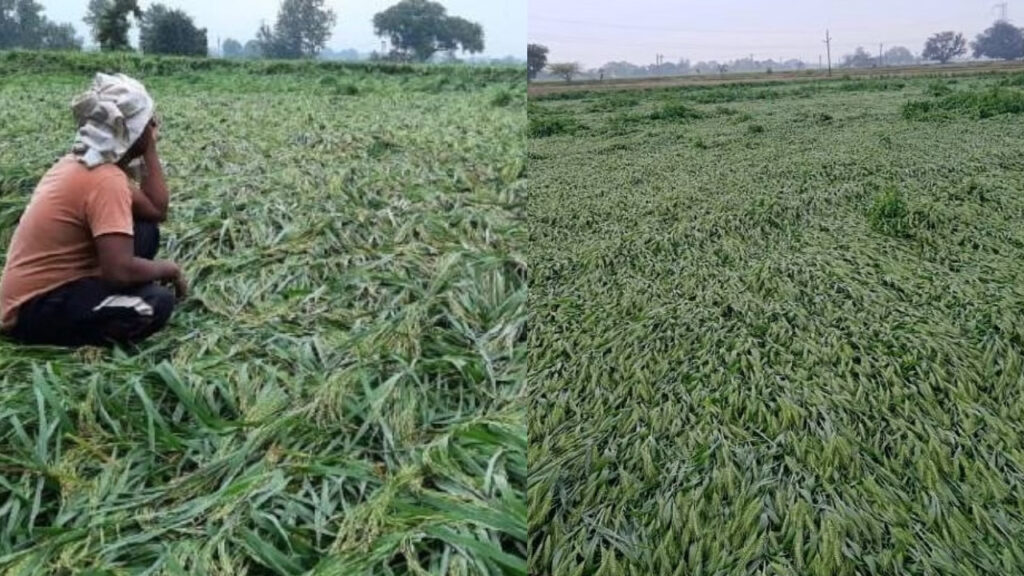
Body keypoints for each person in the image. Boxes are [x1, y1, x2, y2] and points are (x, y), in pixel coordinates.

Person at [0, 73, 187, 348]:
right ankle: (77, 334)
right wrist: (169, 269)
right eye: (147, 123)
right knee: (154, 304)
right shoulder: (105, 180)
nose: (153, 126)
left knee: (146, 233)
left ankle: (94, 301)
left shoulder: (85, 162)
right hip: (32, 309)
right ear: (133, 130)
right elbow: (118, 272)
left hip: (59, 284)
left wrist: (149, 148)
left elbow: (156, 209)